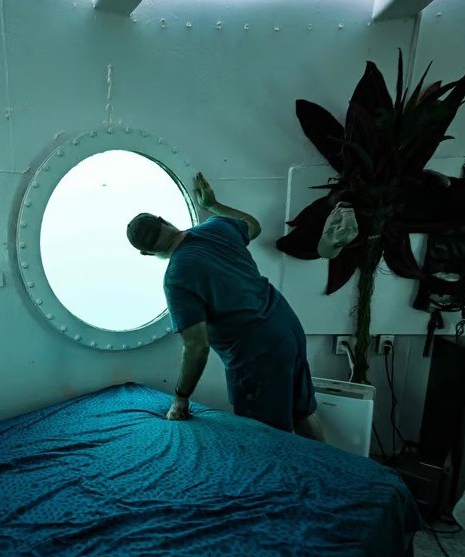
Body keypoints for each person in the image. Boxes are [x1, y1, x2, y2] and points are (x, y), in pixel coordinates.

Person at [126, 173, 324, 440]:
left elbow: (197, 347)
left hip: (256, 352)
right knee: (302, 412)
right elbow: (253, 226)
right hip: (286, 324)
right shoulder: (217, 225)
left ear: (147, 253)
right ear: (164, 221)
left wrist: (181, 398)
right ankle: (330, 466)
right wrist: (213, 205)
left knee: (264, 438)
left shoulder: (177, 277)